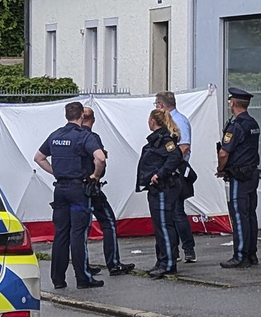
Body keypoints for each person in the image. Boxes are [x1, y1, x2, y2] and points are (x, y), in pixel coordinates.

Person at [34, 101, 107, 290]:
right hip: (79, 190)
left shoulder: (56, 135)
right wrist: (95, 175)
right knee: (78, 234)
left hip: (60, 190)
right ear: (82, 116)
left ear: (66, 115)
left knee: (61, 234)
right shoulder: (84, 136)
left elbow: (38, 158)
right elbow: (100, 158)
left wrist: (55, 172)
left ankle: (58, 279)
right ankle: (83, 278)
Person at [81, 108, 135, 277]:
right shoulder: (91, 137)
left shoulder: (68, 135)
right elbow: (100, 159)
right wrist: (96, 176)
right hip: (92, 187)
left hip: (74, 187)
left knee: (80, 228)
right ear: (93, 119)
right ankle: (113, 263)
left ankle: (83, 265)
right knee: (108, 222)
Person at [136, 109, 186, 278]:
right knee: (160, 226)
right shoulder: (156, 139)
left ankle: (169, 263)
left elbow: (175, 157)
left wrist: (160, 174)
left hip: (165, 187)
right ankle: (162, 260)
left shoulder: (165, 139)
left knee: (165, 225)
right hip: (156, 188)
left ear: (153, 121)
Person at [217, 87, 261, 268]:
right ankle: (251, 253)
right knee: (250, 214)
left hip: (239, 176)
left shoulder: (237, 126)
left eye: (229, 101)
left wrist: (221, 169)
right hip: (252, 173)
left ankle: (240, 255)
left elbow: (223, 153)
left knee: (239, 215)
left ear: (233, 103)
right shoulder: (253, 123)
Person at [155, 91, 196, 263]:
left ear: (162, 105)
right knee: (171, 212)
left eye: (156, 104)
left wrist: (170, 162)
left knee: (177, 212)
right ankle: (175, 250)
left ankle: (188, 249)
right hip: (168, 171)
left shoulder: (178, 121)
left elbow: (184, 146)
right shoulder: (168, 121)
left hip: (177, 171)